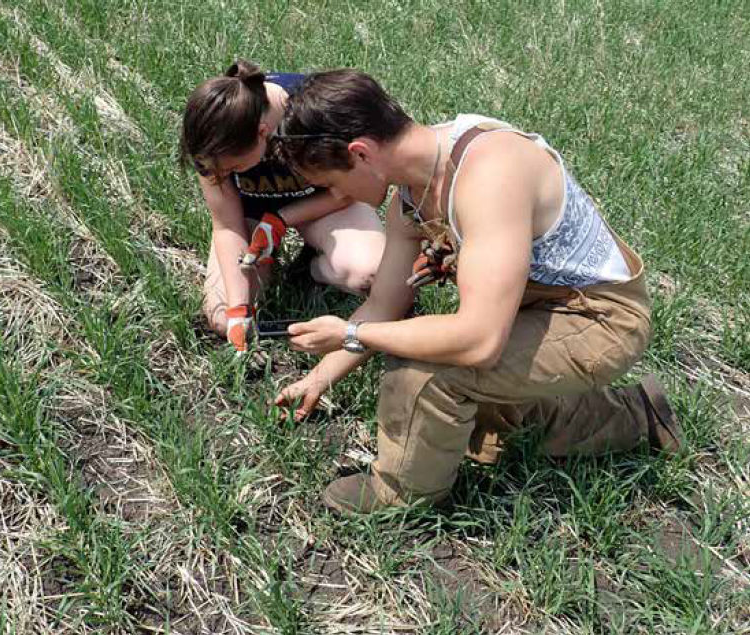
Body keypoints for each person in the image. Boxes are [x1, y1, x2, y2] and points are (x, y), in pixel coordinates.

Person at [272, 69, 683, 514]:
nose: (333, 195)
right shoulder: (410, 198)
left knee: (423, 371)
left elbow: (479, 342)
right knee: (489, 422)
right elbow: (384, 304)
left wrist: (354, 336)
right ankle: (640, 415)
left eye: (331, 181)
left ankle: (402, 496)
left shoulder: (488, 172)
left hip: (601, 317)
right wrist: (319, 378)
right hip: (543, 307)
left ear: (360, 152)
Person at [179, 60, 386, 353]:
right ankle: (266, 267)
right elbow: (226, 226)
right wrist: (239, 308)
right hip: (250, 217)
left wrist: (281, 220)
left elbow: (352, 189)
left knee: (368, 273)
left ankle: (310, 268)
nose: (224, 175)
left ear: (263, 133)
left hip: (329, 204)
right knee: (222, 317)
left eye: (234, 168)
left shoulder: (312, 112)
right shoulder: (213, 136)